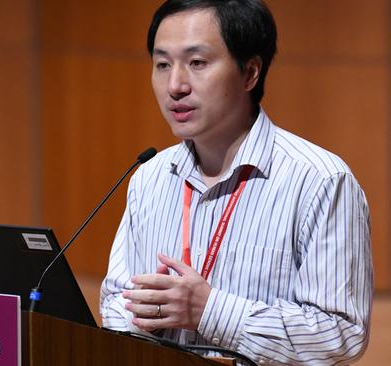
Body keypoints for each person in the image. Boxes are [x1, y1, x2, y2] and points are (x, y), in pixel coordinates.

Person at [99, 0, 373, 364]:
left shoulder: (320, 180)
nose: (175, 85)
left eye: (197, 63)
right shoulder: (150, 176)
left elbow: (340, 334)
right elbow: (115, 298)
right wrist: (137, 317)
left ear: (250, 73)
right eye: (162, 64)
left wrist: (209, 310)